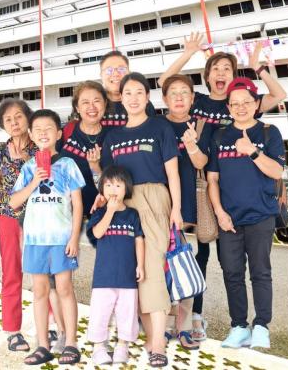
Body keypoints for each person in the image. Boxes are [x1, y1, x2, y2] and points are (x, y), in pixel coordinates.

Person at [158, 33, 287, 341]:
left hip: (208, 184)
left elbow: (278, 95)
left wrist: (258, 68)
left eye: (227, 69)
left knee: (203, 251)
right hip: (187, 181)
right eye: (215, 69)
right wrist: (189, 52)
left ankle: (198, 315)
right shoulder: (198, 101)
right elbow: (167, 83)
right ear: (207, 77)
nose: (220, 73)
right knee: (172, 252)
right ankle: (170, 314)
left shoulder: (242, 106)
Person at [100, 72, 182, 368]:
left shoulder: (159, 127)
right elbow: (109, 178)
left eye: (139, 92)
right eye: (127, 93)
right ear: (120, 98)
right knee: (135, 274)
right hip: (123, 203)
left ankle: (158, 345)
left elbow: (172, 172)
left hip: (154, 199)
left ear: (147, 97)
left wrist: (176, 209)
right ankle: (149, 336)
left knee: (153, 271)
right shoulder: (113, 137)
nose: (133, 98)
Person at [207, 78, 285, 349]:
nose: (241, 107)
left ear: (255, 104)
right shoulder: (219, 137)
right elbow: (212, 180)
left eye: (246, 102)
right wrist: (219, 212)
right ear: (228, 107)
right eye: (235, 103)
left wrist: (252, 151)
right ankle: (239, 326)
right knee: (231, 273)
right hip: (229, 219)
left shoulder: (268, 132)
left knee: (261, 272)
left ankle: (261, 325)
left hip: (261, 216)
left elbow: (277, 171)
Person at [10, 109, 85, 366]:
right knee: (40, 291)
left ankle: (72, 343)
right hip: (35, 241)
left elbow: (77, 204)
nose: (43, 133)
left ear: (59, 133)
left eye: (48, 128)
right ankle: (43, 344)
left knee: (64, 288)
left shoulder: (67, 164)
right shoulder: (29, 167)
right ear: (30, 134)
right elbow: (14, 202)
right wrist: (33, 183)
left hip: (61, 239)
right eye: (37, 129)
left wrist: (74, 237)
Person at [160, 74, 210, 350]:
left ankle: (186, 324)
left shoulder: (202, 125)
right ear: (165, 99)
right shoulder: (155, 125)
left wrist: (191, 143)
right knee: (163, 267)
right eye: (173, 93)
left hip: (191, 202)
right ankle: (166, 322)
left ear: (192, 98)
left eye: (184, 92)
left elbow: (203, 161)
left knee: (186, 266)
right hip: (161, 203)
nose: (179, 97)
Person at [0, 98, 36, 352]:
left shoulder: (41, 147)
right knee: (12, 274)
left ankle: (47, 324)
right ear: (3, 125)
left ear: (28, 117)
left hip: (39, 218)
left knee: (43, 273)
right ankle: (13, 331)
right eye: (8, 119)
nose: (14, 122)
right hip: (7, 217)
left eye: (18, 116)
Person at [86, 166, 145, 366]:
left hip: (128, 277)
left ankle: (122, 346)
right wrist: (109, 211)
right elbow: (98, 234)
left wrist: (141, 266)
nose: (113, 189)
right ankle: (98, 347)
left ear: (126, 188)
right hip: (104, 277)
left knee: (127, 313)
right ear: (101, 188)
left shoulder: (133, 215)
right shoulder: (99, 212)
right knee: (100, 312)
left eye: (118, 185)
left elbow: (139, 241)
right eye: (108, 184)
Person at [60, 81, 108, 217]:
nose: (92, 107)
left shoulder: (114, 136)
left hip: (105, 216)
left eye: (97, 101)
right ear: (77, 107)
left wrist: (95, 166)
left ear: (105, 103)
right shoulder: (65, 133)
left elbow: (115, 182)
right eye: (85, 102)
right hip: (70, 217)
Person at [99, 50, 156, 128]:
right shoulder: (95, 104)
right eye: (109, 70)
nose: (115, 74)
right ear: (101, 75)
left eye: (121, 69)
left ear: (129, 73)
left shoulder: (142, 103)